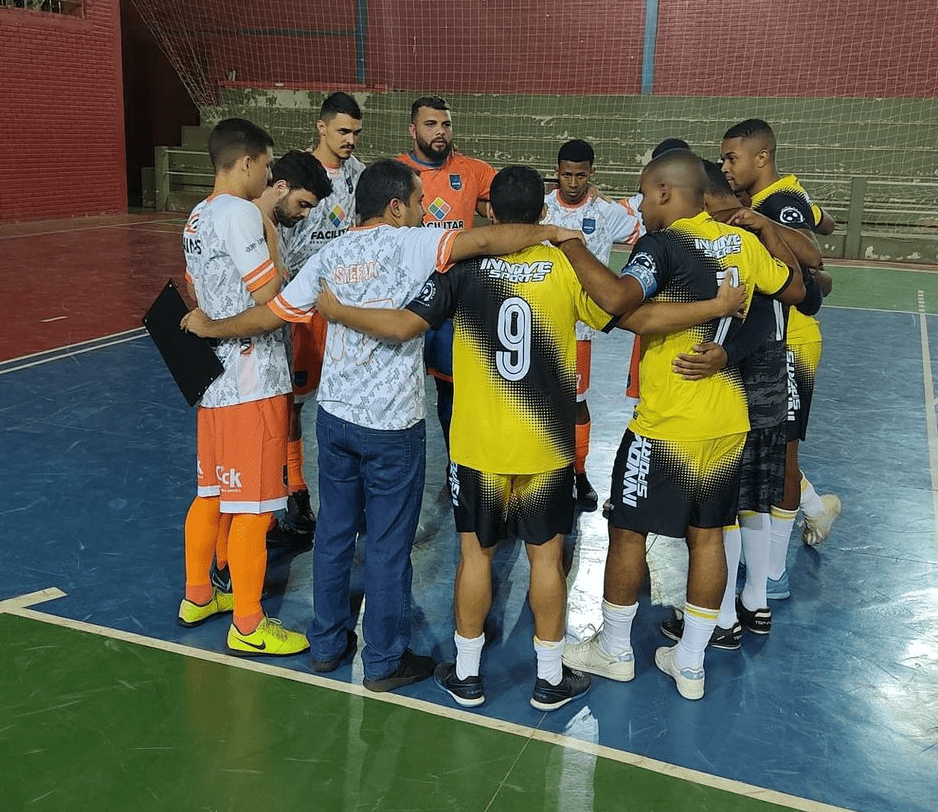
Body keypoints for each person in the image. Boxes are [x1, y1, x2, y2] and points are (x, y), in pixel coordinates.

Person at [313, 165, 747, 709]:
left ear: (490, 212)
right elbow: (633, 315)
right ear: (543, 213)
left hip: (477, 444)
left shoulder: (460, 268)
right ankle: (548, 677)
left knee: (475, 556)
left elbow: (403, 326)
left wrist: (336, 310)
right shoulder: (568, 267)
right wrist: (716, 312)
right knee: (546, 559)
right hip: (546, 447)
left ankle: (467, 675)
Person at [182, 159, 583, 693]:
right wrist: (551, 232)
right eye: (417, 203)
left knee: (333, 535)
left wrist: (211, 326)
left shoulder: (329, 254)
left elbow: (272, 313)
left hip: (335, 419)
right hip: (392, 426)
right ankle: (383, 660)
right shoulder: (413, 245)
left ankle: (327, 643)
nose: (423, 213)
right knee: (389, 544)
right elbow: (489, 240)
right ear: (396, 207)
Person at [559, 150, 804, 700]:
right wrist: (756, 253)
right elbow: (792, 291)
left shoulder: (662, 245)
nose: (641, 205)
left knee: (628, 531)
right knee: (708, 537)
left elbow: (622, 305)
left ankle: (616, 649)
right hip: (727, 421)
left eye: (645, 194)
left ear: (666, 192)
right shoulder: (740, 242)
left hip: (666, 423)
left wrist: (570, 244)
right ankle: (691, 663)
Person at [665, 160, 820, 643]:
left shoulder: (724, 238)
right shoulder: (757, 230)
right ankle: (756, 602)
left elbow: (797, 294)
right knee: (754, 498)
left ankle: (723, 619)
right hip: (772, 373)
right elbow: (806, 291)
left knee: (724, 504)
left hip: (739, 381)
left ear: (702, 199)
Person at [177, 117, 309, 657]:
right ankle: (249, 625)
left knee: (211, 493)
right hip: (253, 381)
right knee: (254, 508)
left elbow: (197, 288)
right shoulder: (241, 214)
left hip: (213, 383)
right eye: (267, 166)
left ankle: (198, 595)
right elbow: (269, 294)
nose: (268, 177)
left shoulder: (197, 215)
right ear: (248, 162)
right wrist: (280, 250)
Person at [721, 119, 840, 591]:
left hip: (792, 342)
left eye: (732, 158)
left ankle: (773, 574)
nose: (725, 166)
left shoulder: (777, 202)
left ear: (762, 157)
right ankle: (814, 511)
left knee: (784, 455)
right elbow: (824, 224)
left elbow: (811, 254)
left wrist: (766, 222)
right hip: (769, 339)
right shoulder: (774, 198)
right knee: (763, 450)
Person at [270, 92, 366, 546]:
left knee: (350, 400)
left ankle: (350, 496)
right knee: (293, 403)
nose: (350, 140)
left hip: (344, 308)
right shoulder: (293, 177)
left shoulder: (359, 175)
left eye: (356, 132)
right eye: (343, 131)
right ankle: (295, 489)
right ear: (321, 127)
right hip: (301, 309)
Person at [542, 139, 641, 509]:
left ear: (592, 174)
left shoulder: (605, 212)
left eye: (581, 175)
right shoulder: (542, 208)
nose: (573, 182)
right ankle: (542, 471)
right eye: (567, 175)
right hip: (541, 322)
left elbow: (649, 224)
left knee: (576, 403)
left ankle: (579, 473)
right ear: (557, 172)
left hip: (581, 331)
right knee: (536, 399)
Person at [396, 96, 497, 458]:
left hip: (454, 302)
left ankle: (457, 463)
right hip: (406, 299)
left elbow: (506, 201)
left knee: (453, 389)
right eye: (430, 124)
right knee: (399, 388)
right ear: (413, 130)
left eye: (445, 124)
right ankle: (402, 464)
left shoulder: (473, 170)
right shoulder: (394, 172)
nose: (440, 132)